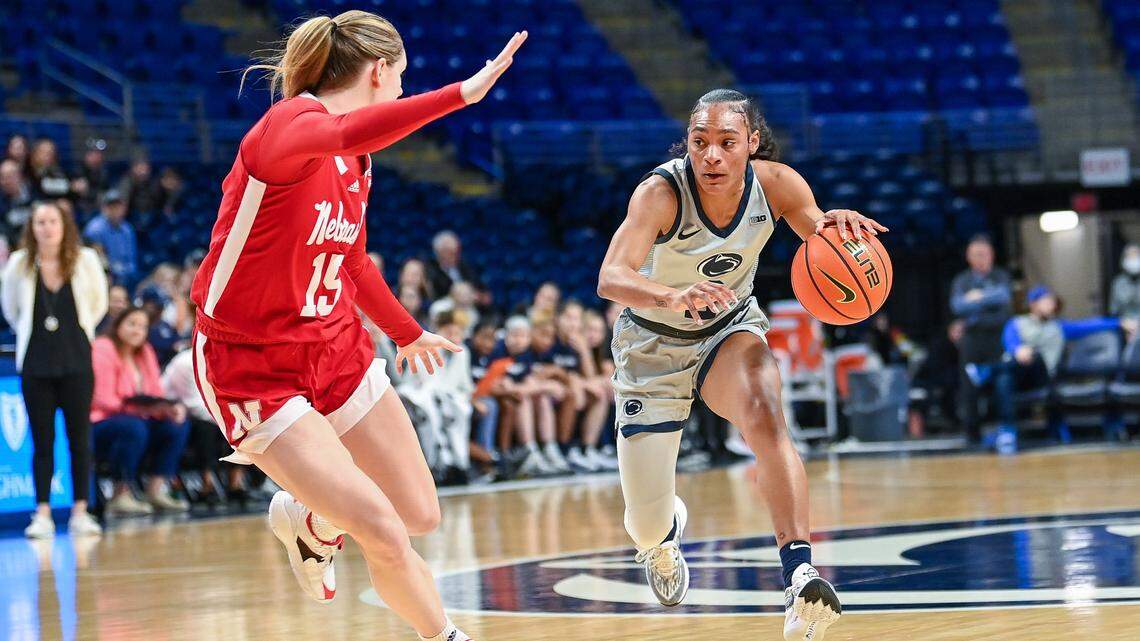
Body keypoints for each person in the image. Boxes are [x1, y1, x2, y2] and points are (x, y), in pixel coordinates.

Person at [187, 11, 524, 641]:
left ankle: (313, 521)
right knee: (384, 531)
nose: (403, 88)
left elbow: (351, 260)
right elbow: (342, 130)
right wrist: (460, 94)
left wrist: (407, 332)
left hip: (334, 344)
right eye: (402, 76)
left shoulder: (357, 160)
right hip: (252, 362)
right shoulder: (288, 124)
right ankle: (444, 635)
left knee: (419, 513)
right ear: (378, 71)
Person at [596, 89, 887, 640]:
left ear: (751, 143)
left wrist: (837, 231)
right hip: (652, 347)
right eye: (700, 141)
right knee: (645, 524)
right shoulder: (660, 193)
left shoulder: (777, 185)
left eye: (727, 143)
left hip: (726, 329)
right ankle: (662, 538)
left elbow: (820, 236)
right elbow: (610, 277)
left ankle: (799, 575)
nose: (711, 155)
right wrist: (672, 295)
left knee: (766, 413)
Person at [1, 201, 108, 538]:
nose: (46, 228)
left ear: (64, 226)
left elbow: (99, 303)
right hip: (36, 363)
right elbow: (11, 309)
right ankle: (43, 513)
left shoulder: (85, 259)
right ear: (31, 228)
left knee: (80, 439)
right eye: (40, 222)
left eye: (52, 221)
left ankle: (80, 511)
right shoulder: (19, 263)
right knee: (42, 441)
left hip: (77, 359)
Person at [91, 306, 190, 514]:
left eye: (143, 327)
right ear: (118, 325)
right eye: (132, 324)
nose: (137, 330)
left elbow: (155, 392)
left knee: (176, 425)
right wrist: (140, 410)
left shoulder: (145, 351)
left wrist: (167, 408)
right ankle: (120, 495)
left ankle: (155, 490)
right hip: (101, 421)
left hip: (137, 418)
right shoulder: (102, 348)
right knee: (133, 427)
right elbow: (102, 399)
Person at [950, 234, 1012, 443]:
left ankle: (1005, 430)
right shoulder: (962, 280)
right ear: (969, 257)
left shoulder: (1001, 275)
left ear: (992, 255)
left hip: (997, 337)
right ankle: (972, 434)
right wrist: (987, 300)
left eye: (984, 254)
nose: (981, 258)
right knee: (968, 386)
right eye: (976, 254)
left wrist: (976, 298)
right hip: (972, 339)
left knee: (1002, 382)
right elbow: (958, 306)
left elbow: (1003, 296)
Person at [552, 301, 616, 472]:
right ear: (558, 319)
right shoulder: (555, 340)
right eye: (569, 318)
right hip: (559, 392)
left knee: (600, 394)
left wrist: (584, 351)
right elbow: (560, 373)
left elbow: (589, 377)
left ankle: (588, 449)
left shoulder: (579, 345)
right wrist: (580, 382)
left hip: (573, 392)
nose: (573, 323)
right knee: (580, 394)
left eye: (577, 319)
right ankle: (567, 449)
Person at [82, 190, 138, 287]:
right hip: (103, 276)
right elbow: (95, 260)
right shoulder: (95, 229)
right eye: (111, 206)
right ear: (104, 208)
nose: (115, 210)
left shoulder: (127, 229)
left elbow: (131, 260)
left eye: (118, 206)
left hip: (126, 276)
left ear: (124, 208)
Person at [425, 230, 482, 297]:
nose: (455, 256)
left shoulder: (465, 266)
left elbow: (483, 292)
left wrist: (478, 296)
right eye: (450, 252)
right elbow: (435, 294)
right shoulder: (431, 270)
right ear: (439, 252)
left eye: (457, 252)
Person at [1, 158, 34, 246]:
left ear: (20, 176)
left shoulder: (34, 192)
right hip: (13, 244)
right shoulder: (1, 201)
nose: (6, 181)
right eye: (2, 177)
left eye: (9, 176)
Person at [71, 139, 110, 213]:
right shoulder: (78, 170)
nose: (97, 157)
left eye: (99, 154)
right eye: (93, 153)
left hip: (100, 206)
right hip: (82, 207)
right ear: (87, 155)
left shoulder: (103, 171)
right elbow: (80, 191)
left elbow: (105, 191)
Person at [1110, 244, 1140, 322]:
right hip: (1125, 324)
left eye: (1136, 256)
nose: (1133, 260)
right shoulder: (1118, 283)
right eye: (1130, 256)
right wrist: (1122, 322)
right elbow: (1113, 311)